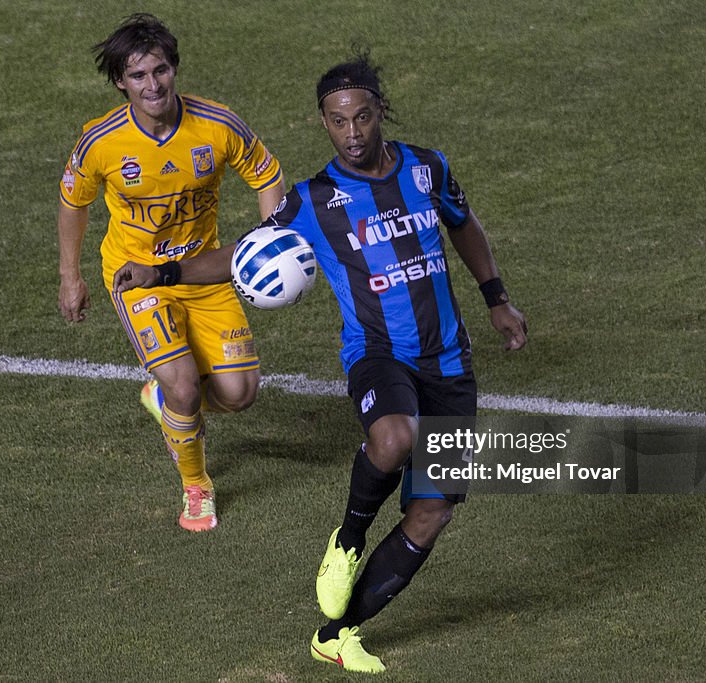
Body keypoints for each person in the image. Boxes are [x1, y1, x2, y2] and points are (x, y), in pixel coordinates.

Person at [112, 52, 527, 672]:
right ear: (324, 124)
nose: (352, 133)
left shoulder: (425, 168)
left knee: (432, 509)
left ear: (379, 112)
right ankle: (349, 539)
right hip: (377, 353)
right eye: (338, 122)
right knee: (392, 436)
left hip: (450, 361)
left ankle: (337, 631)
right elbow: (239, 254)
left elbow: (464, 225)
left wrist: (497, 298)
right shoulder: (313, 200)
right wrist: (162, 271)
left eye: (362, 117)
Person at [57, 13, 285, 532]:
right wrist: (71, 275)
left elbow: (267, 175)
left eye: (159, 70)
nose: (152, 85)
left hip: (200, 271)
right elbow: (73, 203)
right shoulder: (101, 141)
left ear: (174, 68)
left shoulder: (218, 124)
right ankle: (196, 484)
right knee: (186, 388)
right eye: (138, 76)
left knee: (239, 396)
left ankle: (163, 398)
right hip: (135, 276)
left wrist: (272, 244)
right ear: (121, 82)